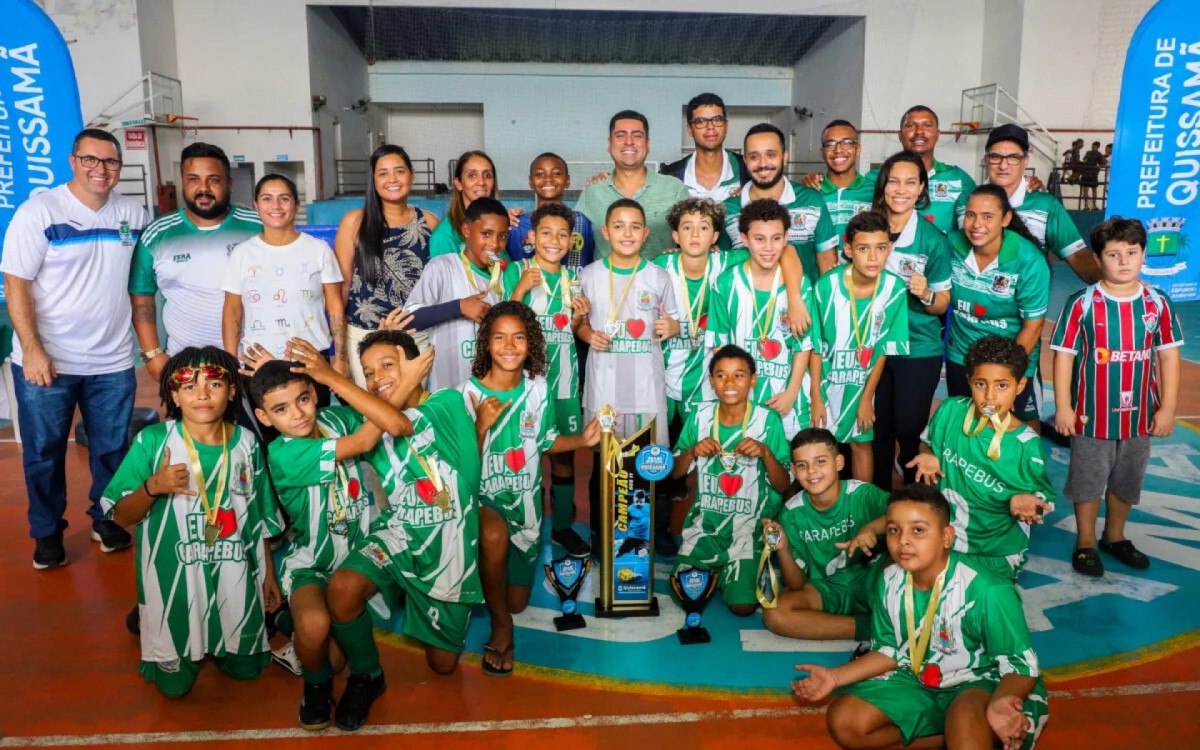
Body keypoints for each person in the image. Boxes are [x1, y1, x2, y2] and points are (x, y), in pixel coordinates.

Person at [793, 484, 1049, 750]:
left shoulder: (988, 590)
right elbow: (889, 650)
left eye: (918, 530)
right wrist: (835, 677)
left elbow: (1021, 665)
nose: (903, 540)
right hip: (920, 677)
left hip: (980, 681)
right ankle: (955, 737)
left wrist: (1002, 701)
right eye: (894, 530)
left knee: (964, 714)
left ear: (947, 536)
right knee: (845, 722)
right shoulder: (890, 579)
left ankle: (972, 729)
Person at [249, 341, 417, 730]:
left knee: (340, 648)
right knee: (315, 629)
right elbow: (364, 440)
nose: (298, 413)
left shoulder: (335, 418)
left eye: (303, 398)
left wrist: (332, 379)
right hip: (313, 558)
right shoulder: (282, 454)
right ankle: (317, 686)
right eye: (281, 409)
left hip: (361, 549)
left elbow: (383, 418)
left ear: (314, 393)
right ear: (264, 417)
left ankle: (369, 676)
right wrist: (402, 381)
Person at [2, 127, 147, 568]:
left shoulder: (134, 214)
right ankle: (47, 533)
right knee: (44, 453)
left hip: (113, 360)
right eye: (91, 160)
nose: (100, 170)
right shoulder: (40, 212)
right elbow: (16, 283)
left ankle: (106, 521)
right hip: (50, 361)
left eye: (110, 162)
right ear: (73, 161)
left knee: (111, 450)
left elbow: (143, 284)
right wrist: (32, 349)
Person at [101, 347, 281, 697]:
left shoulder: (246, 443)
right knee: (175, 689)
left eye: (214, 384)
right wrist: (154, 486)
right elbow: (121, 516)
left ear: (232, 391)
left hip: (236, 576)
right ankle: (158, 630)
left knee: (247, 674)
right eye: (188, 386)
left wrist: (269, 574)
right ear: (173, 394)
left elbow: (260, 518)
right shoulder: (153, 442)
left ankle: (227, 640)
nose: (201, 394)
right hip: (174, 584)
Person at [325, 330, 482, 731]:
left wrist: (337, 379)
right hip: (399, 534)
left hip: (448, 546)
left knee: (442, 666)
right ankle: (367, 676)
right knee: (342, 588)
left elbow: (400, 425)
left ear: (418, 367)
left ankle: (412, 601)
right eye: (368, 372)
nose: (376, 378)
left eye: (388, 366)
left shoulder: (448, 402)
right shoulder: (369, 418)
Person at [462, 302, 602, 676]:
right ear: (486, 345)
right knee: (492, 535)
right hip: (483, 497)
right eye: (499, 337)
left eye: (519, 337)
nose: (509, 346)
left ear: (532, 344)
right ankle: (500, 626)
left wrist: (583, 439)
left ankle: (498, 599)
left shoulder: (538, 389)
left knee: (518, 601)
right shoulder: (468, 394)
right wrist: (479, 426)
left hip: (525, 506)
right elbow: (460, 463)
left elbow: (547, 441)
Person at [1051, 217, 1182, 577]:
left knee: (1127, 480)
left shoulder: (1157, 303)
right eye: (1113, 254)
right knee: (1088, 480)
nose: (1123, 260)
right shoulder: (1082, 303)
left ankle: (1115, 536)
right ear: (1098, 258)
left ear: (1143, 255)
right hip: (1092, 416)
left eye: (1132, 252)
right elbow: (1063, 355)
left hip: (1139, 417)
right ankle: (1086, 542)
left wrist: (1168, 408)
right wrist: (1064, 406)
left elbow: (1167, 356)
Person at [577, 198, 681, 555]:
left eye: (635, 226)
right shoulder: (588, 275)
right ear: (605, 233)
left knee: (651, 461)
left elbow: (676, 321)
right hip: (604, 386)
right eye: (619, 226)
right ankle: (598, 529)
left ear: (646, 233)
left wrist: (674, 325)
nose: (627, 233)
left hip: (646, 388)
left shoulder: (659, 276)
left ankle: (653, 529)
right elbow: (578, 322)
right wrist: (588, 334)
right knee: (603, 460)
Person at [909, 336, 1056, 582]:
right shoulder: (951, 410)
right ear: (969, 381)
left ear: (1020, 386)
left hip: (996, 551)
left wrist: (1027, 501)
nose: (989, 396)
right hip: (943, 539)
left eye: (1001, 386)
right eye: (980, 384)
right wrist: (927, 455)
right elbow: (927, 442)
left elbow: (1043, 498)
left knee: (977, 608)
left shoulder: (1027, 445)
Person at [669, 345, 792, 616]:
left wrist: (766, 452)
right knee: (685, 595)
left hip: (748, 530)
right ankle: (720, 570)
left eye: (739, 375)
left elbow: (783, 486)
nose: (730, 383)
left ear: (753, 380)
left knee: (743, 606)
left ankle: (736, 571)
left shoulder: (767, 420)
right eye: (721, 376)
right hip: (705, 528)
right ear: (711, 382)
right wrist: (692, 451)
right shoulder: (699, 415)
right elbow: (676, 473)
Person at [130, 142, 262, 382]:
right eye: (193, 180)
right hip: (186, 367)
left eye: (214, 180)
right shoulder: (157, 234)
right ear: (183, 182)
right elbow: (142, 296)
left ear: (229, 184)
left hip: (255, 361)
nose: (204, 188)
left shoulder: (258, 225)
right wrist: (152, 354)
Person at [503, 203, 592, 556]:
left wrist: (580, 320)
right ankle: (517, 523)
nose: (554, 240)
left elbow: (573, 330)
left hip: (565, 381)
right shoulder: (517, 270)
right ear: (531, 237)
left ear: (572, 241)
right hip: (523, 381)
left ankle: (563, 528)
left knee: (564, 454)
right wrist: (521, 289)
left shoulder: (574, 280)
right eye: (546, 233)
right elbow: (501, 320)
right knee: (520, 451)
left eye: (561, 235)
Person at [869, 152, 952, 489]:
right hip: (872, 345)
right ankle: (876, 499)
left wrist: (927, 294)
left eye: (910, 182)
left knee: (908, 428)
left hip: (917, 348)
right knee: (876, 428)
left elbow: (943, 304)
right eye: (894, 181)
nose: (901, 189)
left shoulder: (933, 239)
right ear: (883, 185)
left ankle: (913, 500)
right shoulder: (868, 228)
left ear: (921, 189)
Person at [761, 428, 888, 642]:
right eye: (802, 465)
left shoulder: (862, 494)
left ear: (838, 463)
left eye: (820, 461)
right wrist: (783, 549)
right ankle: (870, 627)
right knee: (774, 613)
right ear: (793, 470)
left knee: (906, 552)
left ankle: (890, 615)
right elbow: (796, 584)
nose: (812, 471)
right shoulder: (791, 514)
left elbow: (906, 516)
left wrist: (871, 529)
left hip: (873, 579)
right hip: (828, 589)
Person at [811, 211, 910, 482]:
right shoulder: (825, 287)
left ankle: (861, 508)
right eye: (863, 249)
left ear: (889, 248)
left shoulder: (895, 289)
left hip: (861, 382)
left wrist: (867, 398)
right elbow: (814, 347)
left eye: (880, 248)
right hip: (826, 381)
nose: (873, 257)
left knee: (861, 443)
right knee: (819, 447)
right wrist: (816, 397)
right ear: (848, 250)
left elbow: (882, 351)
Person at [708, 199, 819, 439]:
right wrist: (734, 387)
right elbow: (719, 343)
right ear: (745, 239)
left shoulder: (800, 287)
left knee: (788, 465)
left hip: (787, 398)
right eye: (759, 239)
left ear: (786, 238)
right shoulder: (725, 284)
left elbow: (804, 346)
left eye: (776, 238)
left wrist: (791, 392)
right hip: (741, 396)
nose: (768, 247)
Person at [334, 144, 439, 385]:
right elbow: (340, 290)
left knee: (414, 415)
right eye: (383, 173)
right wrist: (339, 355)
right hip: (364, 337)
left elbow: (438, 284)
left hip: (415, 338)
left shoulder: (429, 222)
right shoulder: (355, 222)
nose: (392, 179)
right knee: (373, 416)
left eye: (399, 171)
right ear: (373, 179)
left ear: (412, 175)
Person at [221, 174, 347, 375]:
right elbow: (232, 310)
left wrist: (340, 359)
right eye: (267, 198)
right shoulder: (241, 254)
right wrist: (229, 362)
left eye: (284, 198)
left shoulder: (319, 249)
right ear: (256, 204)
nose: (276, 206)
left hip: (311, 359)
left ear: (297, 205)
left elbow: (335, 308)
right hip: (258, 361)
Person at [945, 185, 1049, 426]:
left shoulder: (1028, 260)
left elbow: (1033, 327)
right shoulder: (950, 245)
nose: (976, 224)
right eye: (971, 215)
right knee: (963, 426)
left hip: (1013, 359)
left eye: (987, 216)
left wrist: (1006, 379)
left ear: (1006, 219)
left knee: (1018, 428)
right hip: (962, 356)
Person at [954, 124, 1101, 283]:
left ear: (1025, 161)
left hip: (1025, 303)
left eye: (1013, 158)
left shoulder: (1046, 205)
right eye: (996, 157)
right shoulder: (964, 200)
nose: (1003, 165)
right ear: (986, 159)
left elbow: (1076, 255)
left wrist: (1115, 289)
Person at [405, 196, 508, 391]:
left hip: (488, 392)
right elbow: (409, 319)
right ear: (466, 231)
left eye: (502, 236)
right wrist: (459, 306)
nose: (494, 243)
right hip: (448, 391)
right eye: (486, 234)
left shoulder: (502, 277)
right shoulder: (443, 267)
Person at [719, 123, 840, 282]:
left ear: (784, 157)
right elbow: (721, 264)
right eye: (754, 157)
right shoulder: (729, 208)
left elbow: (827, 262)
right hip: (747, 304)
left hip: (801, 304)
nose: (763, 164)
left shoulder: (812, 200)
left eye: (771, 155)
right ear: (745, 161)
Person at [575, 110, 690, 261]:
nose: (629, 142)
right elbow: (576, 244)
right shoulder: (593, 191)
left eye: (637, 136)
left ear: (648, 144)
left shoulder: (674, 189)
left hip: (660, 282)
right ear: (609, 144)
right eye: (620, 135)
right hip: (606, 283)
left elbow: (693, 239)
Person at [868, 106, 978, 233]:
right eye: (911, 125)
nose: (919, 131)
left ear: (937, 135)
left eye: (927, 125)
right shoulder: (875, 178)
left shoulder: (959, 179)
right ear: (900, 135)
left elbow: (971, 231)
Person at [504, 152, 595, 274]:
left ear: (567, 180)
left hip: (573, 291)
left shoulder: (582, 222)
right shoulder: (515, 224)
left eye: (556, 173)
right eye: (540, 174)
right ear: (530, 181)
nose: (548, 179)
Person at [658, 93, 748, 202]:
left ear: (726, 126)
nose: (710, 127)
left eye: (717, 119)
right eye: (700, 122)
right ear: (690, 130)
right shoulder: (671, 176)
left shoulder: (748, 169)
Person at [802, 120, 877, 246]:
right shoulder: (810, 191)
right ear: (822, 153)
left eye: (847, 143)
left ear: (858, 149)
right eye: (830, 144)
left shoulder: (875, 190)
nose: (838, 150)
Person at [428, 150, 508, 259]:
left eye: (487, 175)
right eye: (472, 175)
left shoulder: (500, 225)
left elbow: (501, 267)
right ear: (459, 183)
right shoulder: (444, 236)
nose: (481, 182)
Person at [1080, 140, 1104, 210]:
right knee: (1086, 189)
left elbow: (1101, 163)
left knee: (1092, 189)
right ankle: (1087, 205)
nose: (1093, 147)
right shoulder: (1090, 153)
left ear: (1097, 147)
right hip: (1089, 172)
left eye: (1094, 146)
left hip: (1090, 173)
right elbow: (1101, 164)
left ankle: (1092, 205)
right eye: (1093, 146)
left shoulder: (1097, 154)